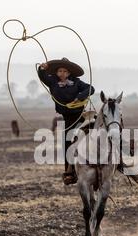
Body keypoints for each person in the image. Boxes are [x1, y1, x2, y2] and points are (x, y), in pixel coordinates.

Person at [38, 57, 95, 185]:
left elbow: (91, 89)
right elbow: (42, 76)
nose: (62, 73)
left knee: (100, 129)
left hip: (81, 115)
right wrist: (41, 69)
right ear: (56, 73)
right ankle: (70, 173)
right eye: (60, 71)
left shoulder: (76, 82)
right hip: (68, 118)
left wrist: (79, 97)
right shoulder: (52, 81)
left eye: (65, 71)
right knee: (68, 142)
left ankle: (117, 159)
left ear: (69, 73)